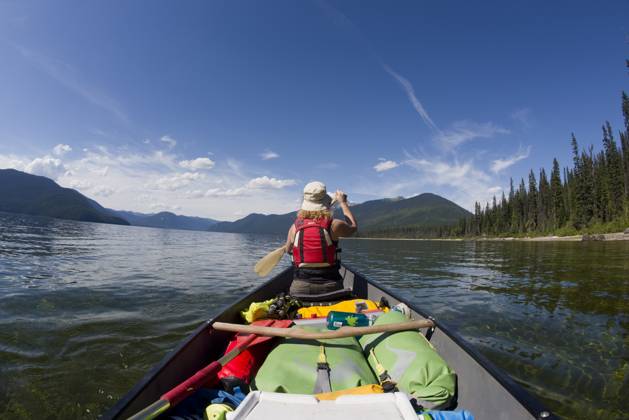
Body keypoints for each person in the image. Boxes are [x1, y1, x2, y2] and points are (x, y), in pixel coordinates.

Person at [285, 181, 358, 295]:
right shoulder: (334, 224)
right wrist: (343, 203)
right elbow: (353, 227)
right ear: (325, 203)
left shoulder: (294, 227)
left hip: (299, 288)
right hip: (331, 287)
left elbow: (288, 250)